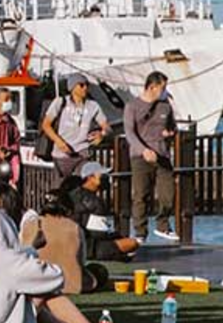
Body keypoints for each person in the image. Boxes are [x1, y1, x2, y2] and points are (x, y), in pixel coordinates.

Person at [0, 185, 129, 323]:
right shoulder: (10, 259)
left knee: (28, 294)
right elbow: (56, 276)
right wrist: (29, 253)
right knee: (43, 291)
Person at [122, 71, 180, 241]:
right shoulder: (132, 106)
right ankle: (140, 231)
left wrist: (169, 132)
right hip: (141, 156)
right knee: (141, 195)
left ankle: (163, 224)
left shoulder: (165, 106)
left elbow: (173, 127)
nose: (165, 91)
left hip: (162, 154)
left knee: (168, 194)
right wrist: (143, 150)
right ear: (152, 87)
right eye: (162, 88)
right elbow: (129, 133)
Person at [38, 77, 109, 205]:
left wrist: (102, 134)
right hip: (61, 155)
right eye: (81, 85)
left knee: (80, 188)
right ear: (72, 87)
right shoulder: (60, 102)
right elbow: (46, 124)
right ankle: (60, 215)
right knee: (60, 190)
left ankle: (80, 215)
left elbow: (106, 126)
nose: (85, 88)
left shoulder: (93, 105)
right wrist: (59, 141)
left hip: (82, 153)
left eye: (87, 85)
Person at [66, 161, 143, 262]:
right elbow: (99, 234)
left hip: (73, 243)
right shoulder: (94, 202)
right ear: (91, 178)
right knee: (132, 243)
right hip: (90, 248)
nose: (106, 179)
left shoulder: (73, 194)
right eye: (102, 176)